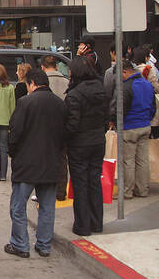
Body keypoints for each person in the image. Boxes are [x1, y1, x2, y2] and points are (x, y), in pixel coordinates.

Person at [6, 69, 67, 258]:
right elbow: (65, 135)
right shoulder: (60, 104)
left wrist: (12, 152)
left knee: (18, 206)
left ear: (32, 83)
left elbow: (15, 133)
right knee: (47, 207)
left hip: (27, 164)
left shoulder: (25, 103)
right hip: (51, 164)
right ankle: (44, 245)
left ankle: (20, 244)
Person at [64, 57, 108, 236]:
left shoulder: (74, 95)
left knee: (80, 184)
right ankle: (97, 223)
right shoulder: (101, 89)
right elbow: (107, 116)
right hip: (98, 141)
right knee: (95, 182)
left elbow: (72, 125)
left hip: (80, 144)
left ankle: (83, 225)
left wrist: (64, 138)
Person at [114, 60, 156, 198]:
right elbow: (153, 107)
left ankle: (127, 191)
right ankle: (143, 189)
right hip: (145, 125)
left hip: (129, 127)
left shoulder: (126, 87)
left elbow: (121, 109)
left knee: (128, 161)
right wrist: (147, 119)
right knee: (143, 160)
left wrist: (116, 123)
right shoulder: (147, 85)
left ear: (124, 72)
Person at [42, 55, 70, 200]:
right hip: (63, 125)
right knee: (62, 159)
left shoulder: (43, 83)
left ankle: (46, 191)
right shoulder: (67, 81)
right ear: (57, 66)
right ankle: (61, 191)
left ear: (42, 67)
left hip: (46, 126)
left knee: (45, 159)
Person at [132, 47, 159, 138]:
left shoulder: (130, 69)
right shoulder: (148, 69)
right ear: (146, 58)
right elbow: (155, 87)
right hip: (148, 103)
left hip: (134, 105)